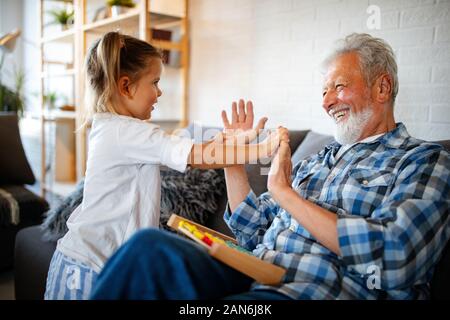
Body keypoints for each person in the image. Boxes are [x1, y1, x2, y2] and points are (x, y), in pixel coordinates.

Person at [90, 33, 450, 300]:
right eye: (324, 91)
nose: (327, 101)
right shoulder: (321, 160)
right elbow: (251, 229)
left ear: (382, 87)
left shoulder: (422, 161)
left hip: (307, 290)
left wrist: (285, 194)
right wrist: (234, 159)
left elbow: (397, 255)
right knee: (148, 248)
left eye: (338, 87)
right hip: (253, 272)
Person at [44, 31, 285, 300]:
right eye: (155, 82)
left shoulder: (120, 130)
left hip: (99, 262)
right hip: (87, 266)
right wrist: (264, 148)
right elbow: (197, 156)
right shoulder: (125, 131)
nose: (159, 92)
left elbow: (190, 150)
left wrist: (228, 141)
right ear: (125, 86)